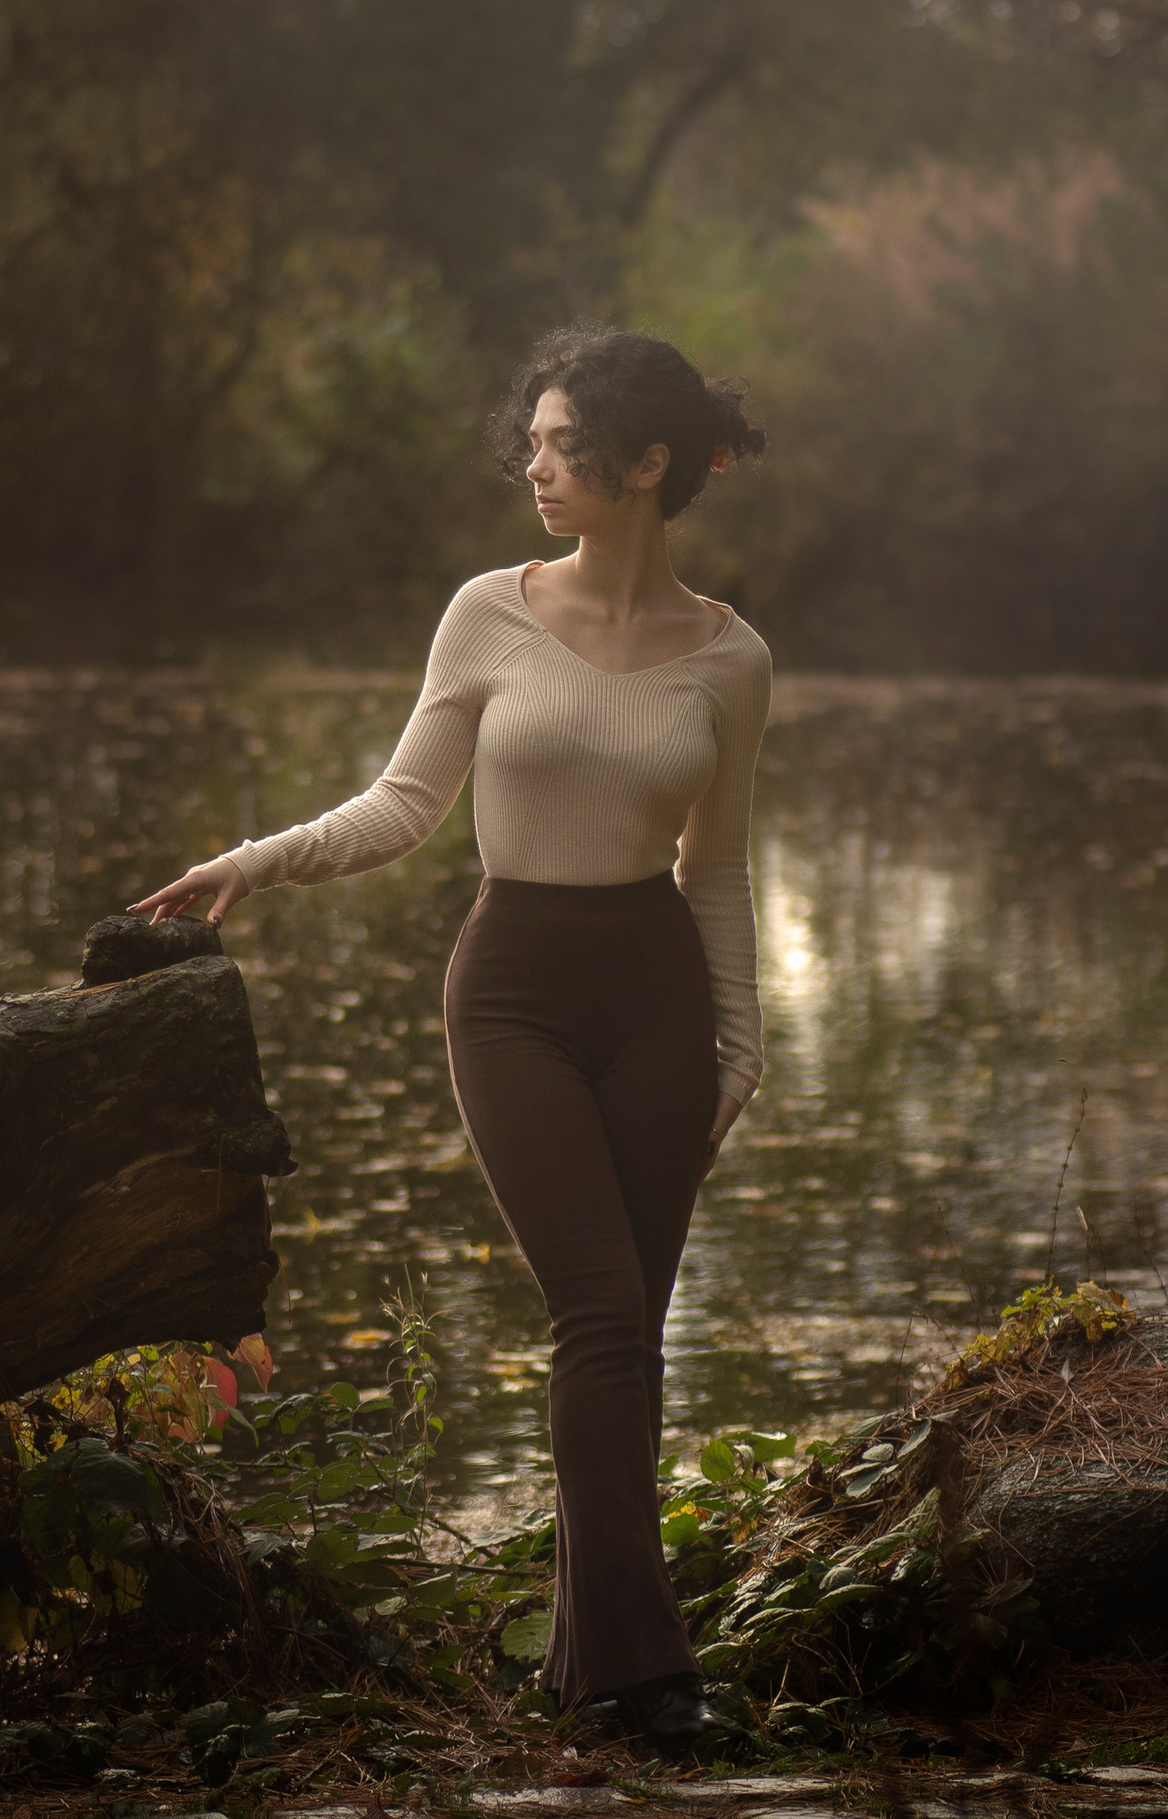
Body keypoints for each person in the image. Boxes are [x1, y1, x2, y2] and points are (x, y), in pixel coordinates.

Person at [131, 324, 770, 1748]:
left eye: (561, 444)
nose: (532, 465)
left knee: (628, 1337)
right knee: (599, 1314)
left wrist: (743, 1047)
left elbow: (717, 870)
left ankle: (587, 1670)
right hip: (516, 994)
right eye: (531, 442)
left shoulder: (733, 661)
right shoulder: (487, 610)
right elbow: (404, 805)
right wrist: (258, 855)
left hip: (660, 1000)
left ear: (647, 463)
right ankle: (649, 1679)